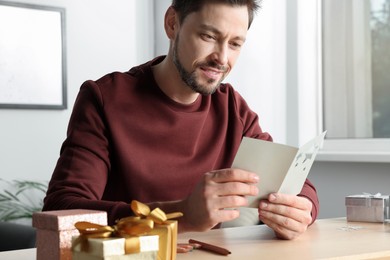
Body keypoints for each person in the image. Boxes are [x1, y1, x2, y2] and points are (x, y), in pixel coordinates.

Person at [43, 0, 319, 240]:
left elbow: (292, 179)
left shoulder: (231, 106)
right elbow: (62, 210)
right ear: (172, 24)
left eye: (235, 44)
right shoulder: (104, 98)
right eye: (209, 36)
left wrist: (303, 208)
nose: (222, 58)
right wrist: (180, 216)